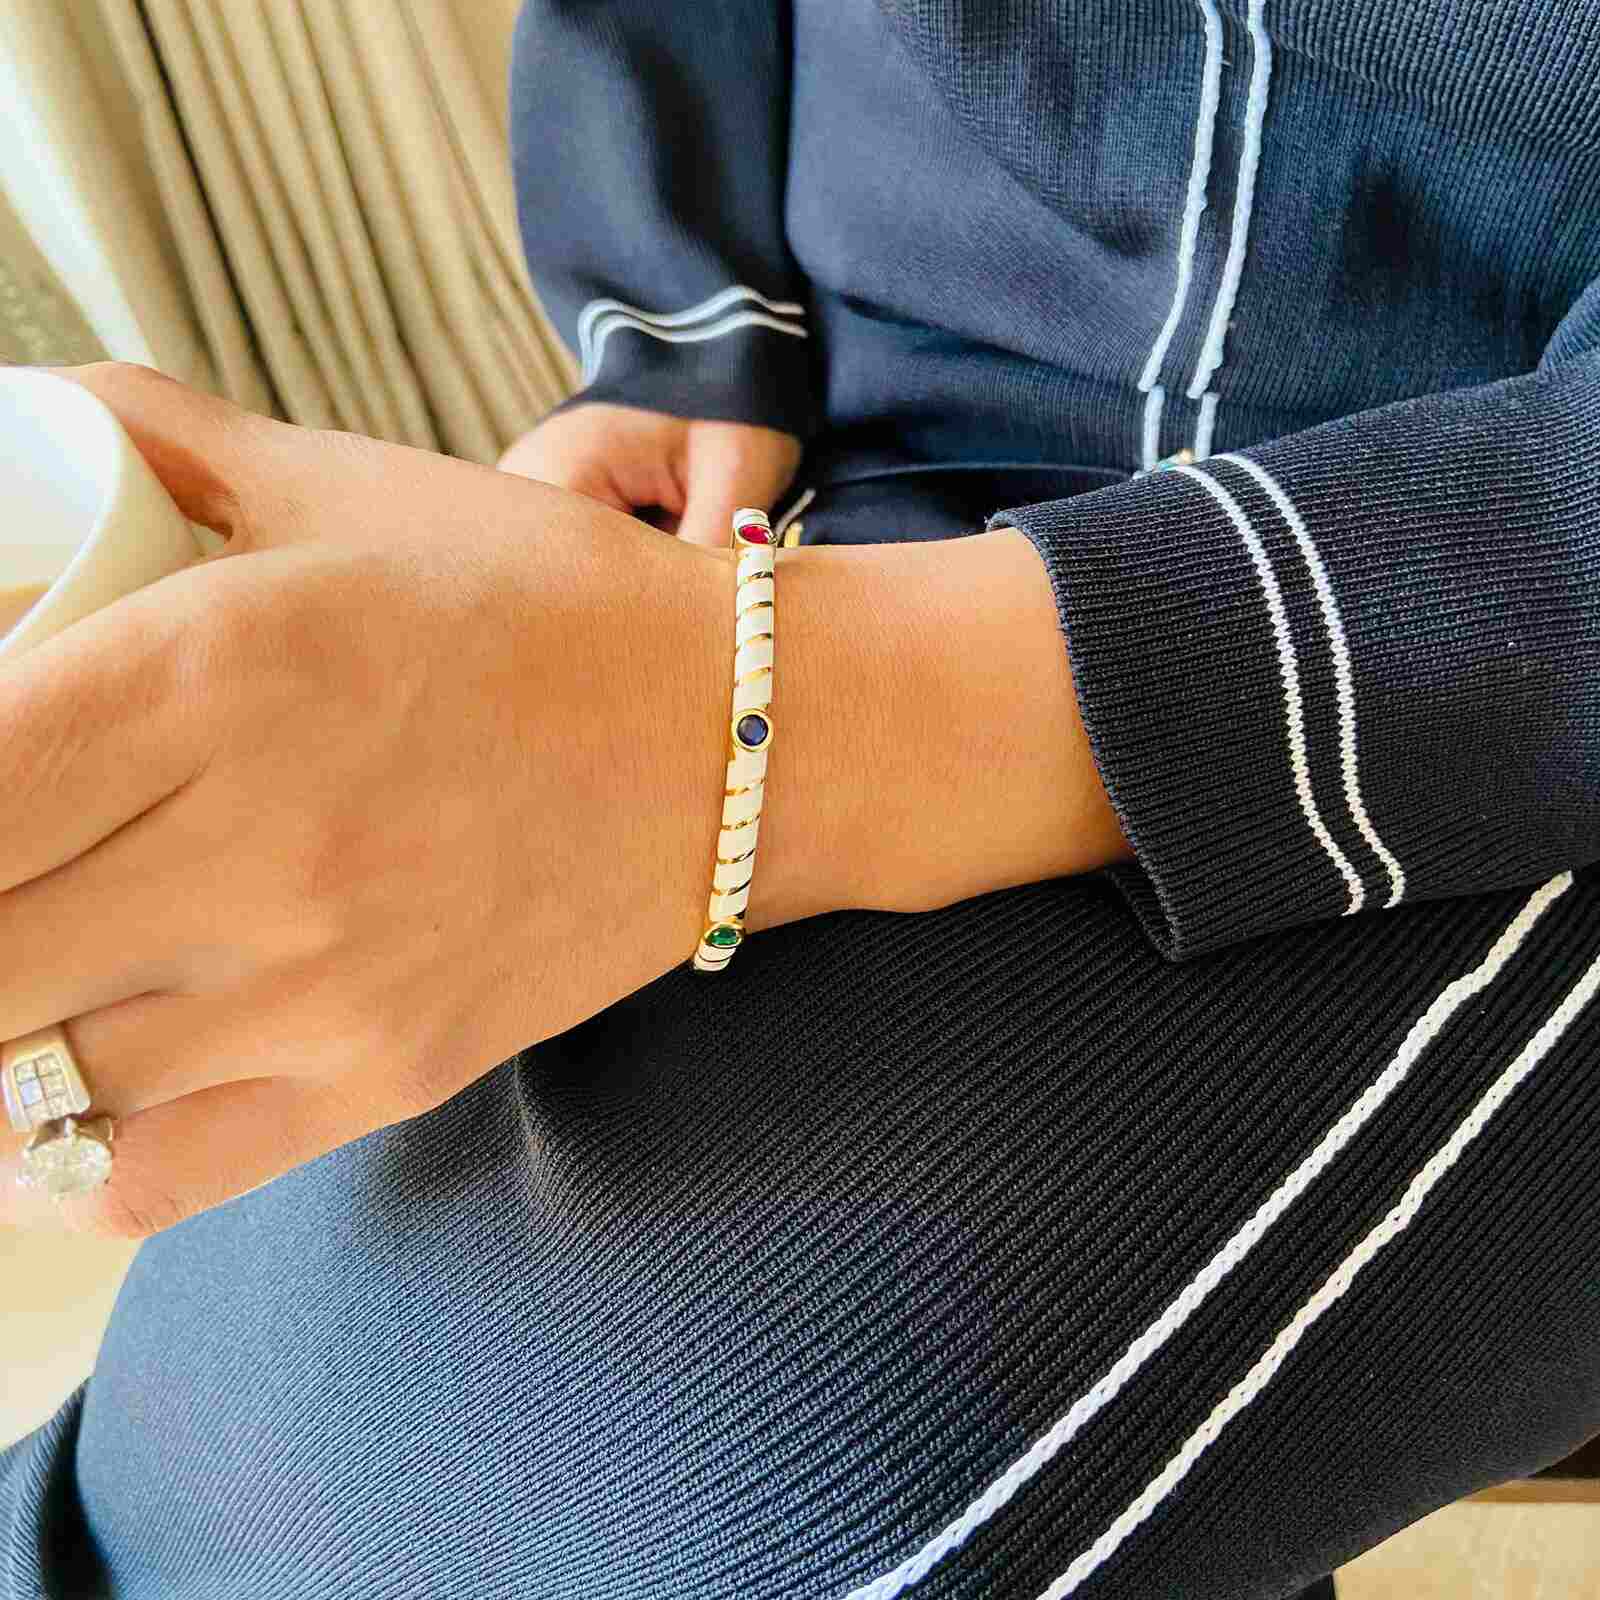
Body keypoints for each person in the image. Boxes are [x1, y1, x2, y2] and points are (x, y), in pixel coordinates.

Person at [3, 2, 1598, 1596]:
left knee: (675, 1492)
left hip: (1499, 632)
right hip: (849, 436)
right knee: (231, 1395)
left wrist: (763, 730)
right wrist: (690, 330)